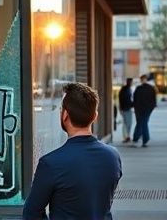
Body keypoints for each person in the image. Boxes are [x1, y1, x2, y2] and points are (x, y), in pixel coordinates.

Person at [22, 82, 122, 220]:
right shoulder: (113, 156)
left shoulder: (50, 163)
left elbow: (31, 213)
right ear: (95, 116)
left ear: (65, 115)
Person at [132, 74, 157, 147]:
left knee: (142, 123)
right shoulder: (148, 88)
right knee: (143, 123)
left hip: (145, 109)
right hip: (142, 109)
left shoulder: (143, 88)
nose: (143, 80)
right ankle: (143, 140)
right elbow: (135, 99)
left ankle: (138, 139)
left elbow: (135, 99)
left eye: (144, 79)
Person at [118, 77, 134, 143]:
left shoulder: (125, 89)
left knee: (126, 123)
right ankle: (126, 136)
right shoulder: (126, 90)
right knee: (127, 123)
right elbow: (126, 100)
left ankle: (127, 136)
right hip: (126, 108)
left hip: (125, 108)